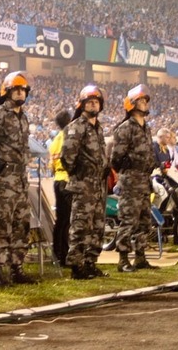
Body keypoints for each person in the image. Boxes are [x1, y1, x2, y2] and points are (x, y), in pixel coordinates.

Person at [0, 71, 36, 287]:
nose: (20, 93)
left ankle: (16, 268)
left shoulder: (24, 118)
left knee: (21, 225)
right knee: (0, 226)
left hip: (20, 180)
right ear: (7, 91)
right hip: (3, 180)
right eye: (16, 89)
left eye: (23, 90)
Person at [60, 85, 109, 280]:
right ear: (81, 105)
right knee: (80, 225)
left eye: (96, 102)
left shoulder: (99, 128)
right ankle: (76, 266)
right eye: (89, 102)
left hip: (97, 186)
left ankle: (90, 263)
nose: (93, 105)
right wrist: (79, 174)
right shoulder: (76, 127)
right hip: (82, 185)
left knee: (97, 226)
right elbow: (67, 158)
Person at [111, 85, 158, 273]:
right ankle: (123, 260)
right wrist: (129, 168)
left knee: (145, 221)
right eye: (141, 101)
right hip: (131, 180)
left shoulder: (146, 128)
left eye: (146, 101)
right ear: (131, 104)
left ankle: (140, 257)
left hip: (145, 180)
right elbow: (116, 157)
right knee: (128, 221)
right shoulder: (125, 128)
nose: (145, 104)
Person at [49, 109, 72, 267]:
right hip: (67, 180)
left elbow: (51, 164)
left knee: (61, 220)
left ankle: (58, 253)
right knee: (66, 221)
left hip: (58, 179)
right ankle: (63, 255)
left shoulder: (56, 139)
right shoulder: (67, 137)